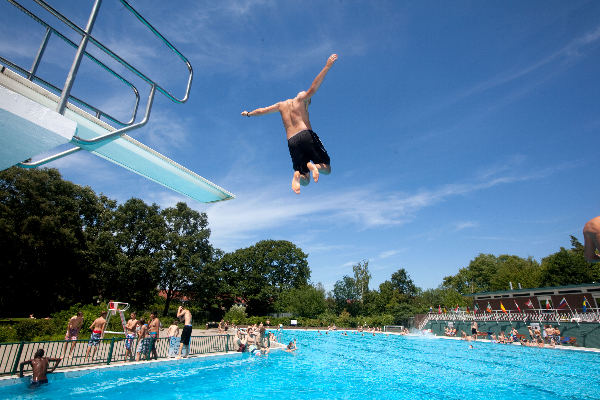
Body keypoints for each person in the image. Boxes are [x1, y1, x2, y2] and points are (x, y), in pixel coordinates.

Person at [241, 54, 338, 194]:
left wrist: (248, 113)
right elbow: (312, 89)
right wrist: (327, 66)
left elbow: (262, 111)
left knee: (305, 179)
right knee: (327, 169)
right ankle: (315, 166)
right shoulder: (300, 100)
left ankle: (298, 175)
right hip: (306, 135)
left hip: (292, 141)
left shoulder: (281, 105)